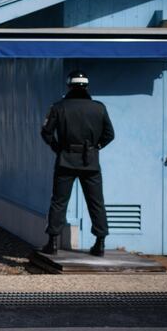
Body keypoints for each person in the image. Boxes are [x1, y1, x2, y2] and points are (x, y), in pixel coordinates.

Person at [40, 70, 114, 257]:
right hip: (91, 162)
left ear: (69, 86)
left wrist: (58, 148)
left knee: (59, 201)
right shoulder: (99, 107)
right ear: (86, 86)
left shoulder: (58, 107)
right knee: (96, 202)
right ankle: (100, 243)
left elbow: (46, 133)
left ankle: (53, 243)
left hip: (65, 160)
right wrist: (95, 147)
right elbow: (109, 134)